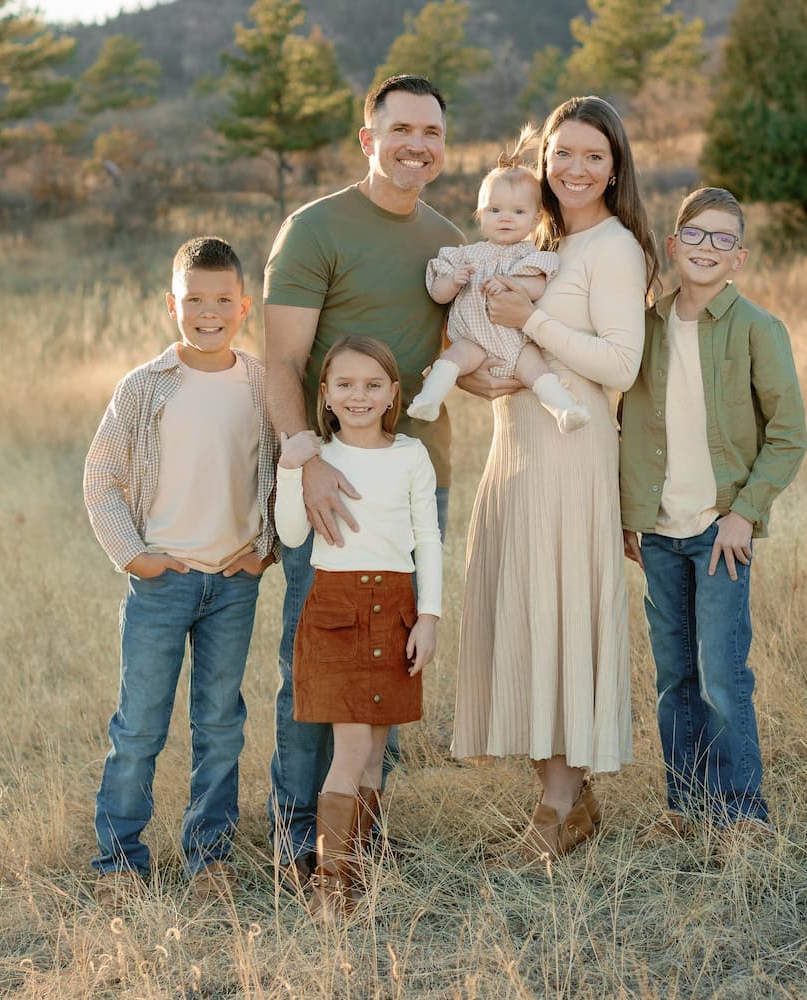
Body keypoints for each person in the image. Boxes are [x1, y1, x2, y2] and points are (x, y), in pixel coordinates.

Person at [262, 75, 464, 888]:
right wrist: (304, 457)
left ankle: (359, 846)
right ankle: (297, 842)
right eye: (403, 128)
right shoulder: (314, 230)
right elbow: (280, 361)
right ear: (367, 137)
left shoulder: (447, 240)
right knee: (318, 666)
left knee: (389, 664)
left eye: (433, 133)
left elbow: (464, 353)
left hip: (420, 477)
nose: (419, 144)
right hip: (332, 481)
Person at [451, 96, 660, 862]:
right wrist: (474, 379)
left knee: (563, 617)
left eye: (593, 156)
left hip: (573, 457)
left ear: (614, 169)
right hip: (514, 451)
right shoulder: (530, 241)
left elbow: (619, 364)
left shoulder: (614, 250)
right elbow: (479, 334)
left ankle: (551, 814)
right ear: (542, 164)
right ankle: (572, 803)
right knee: (526, 616)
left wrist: (530, 322)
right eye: (562, 154)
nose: (574, 168)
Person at [83, 236, 278, 904]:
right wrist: (134, 555)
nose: (208, 311)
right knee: (139, 724)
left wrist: (268, 546)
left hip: (233, 581)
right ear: (172, 303)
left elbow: (280, 471)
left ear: (243, 306)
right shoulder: (145, 387)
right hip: (162, 582)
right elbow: (102, 477)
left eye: (223, 299)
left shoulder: (258, 385)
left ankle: (209, 859)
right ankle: (119, 863)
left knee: (221, 722)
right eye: (194, 299)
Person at [619, 187, 807, 852]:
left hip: (719, 531)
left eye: (722, 239)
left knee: (723, 673)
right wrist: (627, 515)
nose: (706, 248)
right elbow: (625, 425)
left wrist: (744, 514)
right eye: (695, 235)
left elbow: (788, 434)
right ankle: (686, 806)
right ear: (672, 245)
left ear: (740, 258)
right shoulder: (641, 329)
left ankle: (741, 815)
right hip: (660, 533)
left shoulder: (758, 329)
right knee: (675, 676)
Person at [275, 336, 442, 922]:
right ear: (324, 394)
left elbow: (430, 541)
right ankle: (329, 890)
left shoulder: (410, 456)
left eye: (373, 384)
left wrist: (429, 615)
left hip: (395, 608)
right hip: (337, 610)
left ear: (394, 393)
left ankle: (360, 870)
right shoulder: (318, 458)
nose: (359, 396)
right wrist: (291, 464)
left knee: (373, 750)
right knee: (351, 747)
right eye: (344, 384)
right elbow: (293, 536)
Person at [408, 157, 589, 434]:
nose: (505, 218)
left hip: (517, 342)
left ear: (535, 220)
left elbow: (537, 286)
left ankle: (564, 409)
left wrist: (510, 283)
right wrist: (453, 282)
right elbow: (437, 294)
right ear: (481, 215)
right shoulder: (465, 256)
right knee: (453, 356)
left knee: (536, 369)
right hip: (475, 341)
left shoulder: (529, 256)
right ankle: (429, 399)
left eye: (517, 211)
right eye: (494, 210)